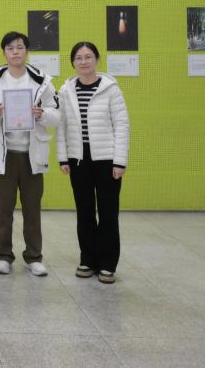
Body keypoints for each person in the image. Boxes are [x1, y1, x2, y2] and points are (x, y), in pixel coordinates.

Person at [0, 31, 59, 276]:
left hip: (32, 155)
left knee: (32, 209)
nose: (15, 52)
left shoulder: (41, 80)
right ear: (4, 53)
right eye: (10, 48)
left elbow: (57, 115)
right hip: (5, 155)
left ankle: (34, 257)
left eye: (20, 47)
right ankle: (3, 256)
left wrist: (42, 114)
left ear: (27, 51)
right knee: (3, 209)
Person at [57, 41, 130, 284]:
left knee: (108, 213)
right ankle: (87, 259)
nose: (83, 61)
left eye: (88, 57)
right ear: (73, 62)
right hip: (78, 160)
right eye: (78, 58)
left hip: (107, 160)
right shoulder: (66, 90)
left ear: (97, 60)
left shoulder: (111, 89)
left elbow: (122, 125)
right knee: (84, 212)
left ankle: (108, 264)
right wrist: (63, 157)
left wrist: (120, 162)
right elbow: (62, 126)